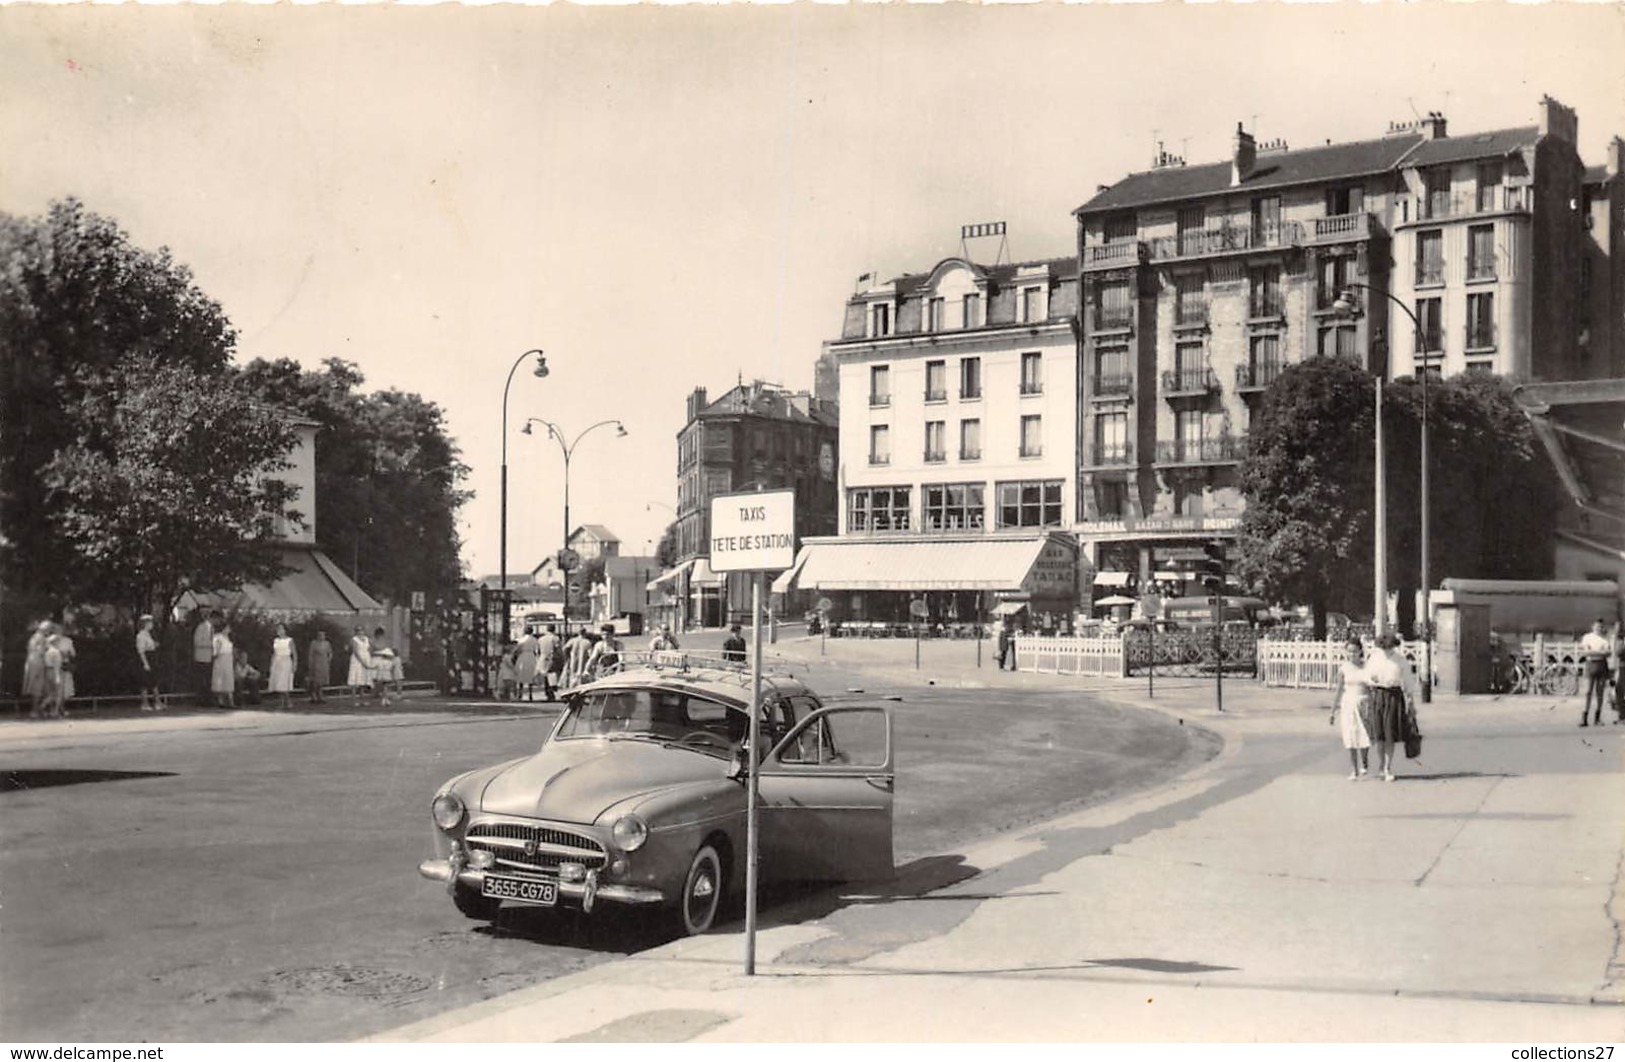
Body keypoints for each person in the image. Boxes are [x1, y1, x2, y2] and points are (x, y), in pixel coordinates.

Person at [1363, 631, 1421, 782]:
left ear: (1394, 646)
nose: (1386, 650)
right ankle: (1381, 764)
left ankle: (1388, 767)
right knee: (1379, 734)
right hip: (1378, 695)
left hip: (1394, 696)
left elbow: (1408, 682)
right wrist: (1372, 679)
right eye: (1383, 647)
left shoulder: (1400, 660)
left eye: (1389, 647)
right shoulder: (1374, 659)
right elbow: (1367, 676)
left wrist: (1411, 703)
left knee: (1390, 733)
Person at [1328, 637, 1371, 779]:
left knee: (1364, 735)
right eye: (1349, 652)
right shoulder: (1344, 668)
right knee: (1350, 736)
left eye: (1354, 651)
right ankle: (1354, 769)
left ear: (1360, 651)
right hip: (1348, 704)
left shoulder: (1366, 667)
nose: (1352, 654)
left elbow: (1372, 688)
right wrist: (1333, 711)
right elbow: (1339, 690)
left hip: (1364, 703)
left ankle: (1364, 761)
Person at [1578, 618, 1612, 728]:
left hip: (1601, 665)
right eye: (1597, 626)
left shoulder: (1605, 639)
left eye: (1601, 627)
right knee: (1588, 691)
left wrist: (1593, 652)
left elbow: (1608, 653)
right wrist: (1599, 652)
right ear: (1593, 627)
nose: (1599, 628)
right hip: (1590, 665)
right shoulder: (1587, 637)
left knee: (1600, 692)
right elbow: (1585, 652)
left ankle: (1597, 717)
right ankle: (1584, 717)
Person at [23, 620, 52, 718]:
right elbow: (41, 652)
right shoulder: (41, 638)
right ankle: (35, 711)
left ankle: (39, 710)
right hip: (38, 665)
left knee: (40, 689)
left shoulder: (34, 637)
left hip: (33, 664)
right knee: (38, 689)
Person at [136, 615, 165, 711]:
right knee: (145, 682)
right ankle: (145, 703)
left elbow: (150, 646)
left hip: (152, 658)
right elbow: (141, 651)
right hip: (146, 659)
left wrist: (155, 645)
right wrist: (145, 663)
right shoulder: (140, 635)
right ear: (145, 624)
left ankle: (157, 702)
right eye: (150, 622)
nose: (152, 624)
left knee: (154, 681)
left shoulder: (148, 634)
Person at [268, 623, 298, 710]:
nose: (279, 631)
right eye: (278, 629)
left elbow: (294, 653)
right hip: (277, 662)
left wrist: (295, 664)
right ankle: (283, 702)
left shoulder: (289, 640)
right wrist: (271, 664)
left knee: (284, 682)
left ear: (285, 630)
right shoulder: (276, 640)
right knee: (279, 683)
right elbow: (274, 653)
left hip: (286, 662)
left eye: (281, 629)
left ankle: (287, 702)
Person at [192, 609, 217, 705]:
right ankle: (200, 700)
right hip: (201, 657)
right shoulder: (201, 627)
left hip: (208, 657)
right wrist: (210, 644)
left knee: (207, 679)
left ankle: (207, 699)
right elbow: (197, 642)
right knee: (202, 679)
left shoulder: (211, 628)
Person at [371, 626, 400, 706]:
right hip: (378, 664)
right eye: (378, 635)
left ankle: (385, 698)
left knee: (386, 682)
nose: (380, 637)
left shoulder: (386, 643)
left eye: (381, 635)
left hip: (386, 664)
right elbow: (372, 653)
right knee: (379, 682)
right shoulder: (373, 643)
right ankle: (381, 696)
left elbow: (391, 654)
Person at [211, 621, 236, 709]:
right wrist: (217, 655)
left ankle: (230, 701)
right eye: (227, 628)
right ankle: (220, 701)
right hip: (221, 659)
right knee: (220, 678)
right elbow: (216, 650)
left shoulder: (228, 638)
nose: (229, 629)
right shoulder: (218, 637)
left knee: (228, 679)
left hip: (228, 659)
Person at [41, 632, 66, 719]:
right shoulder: (56, 652)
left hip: (47, 671)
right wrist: (57, 676)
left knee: (50, 693)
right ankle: (54, 711)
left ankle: (46, 707)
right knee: (58, 693)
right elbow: (57, 665)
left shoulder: (47, 652)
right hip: (55, 671)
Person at [535, 624, 562, 702]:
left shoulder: (540, 639)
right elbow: (558, 649)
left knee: (546, 676)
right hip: (552, 658)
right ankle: (551, 691)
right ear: (554, 629)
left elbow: (537, 651)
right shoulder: (555, 638)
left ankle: (547, 692)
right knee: (552, 675)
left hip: (543, 658)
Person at [513, 627, 541, 702]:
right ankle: (530, 694)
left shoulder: (521, 640)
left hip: (523, 656)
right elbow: (537, 650)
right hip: (531, 656)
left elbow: (517, 649)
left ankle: (520, 694)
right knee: (530, 675)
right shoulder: (535, 640)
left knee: (521, 675)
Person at [347, 626, 373, 706]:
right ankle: (354, 700)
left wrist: (368, 660)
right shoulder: (354, 639)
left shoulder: (366, 639)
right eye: (358, 630)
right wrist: (362, 662)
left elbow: (369, 649)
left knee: (363, 680)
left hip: (366, 658)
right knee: (355, 680)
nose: (360, 632)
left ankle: (362, 699)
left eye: (361, 630)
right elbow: (355, 652)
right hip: (357, 661)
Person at [562, 626, 593, 690]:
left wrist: (567, 656)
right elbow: (590, 654)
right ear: (585, 633)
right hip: (583, 662)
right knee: (581, 678)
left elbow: (564, 648)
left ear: (578, 633)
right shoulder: (587, 642)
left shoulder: (573, 640)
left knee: (573, 677)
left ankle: (572, 691)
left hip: (573, 661)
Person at [306, 629, 333, 704]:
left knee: (322, 681)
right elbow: (310, 654)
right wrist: (310, 664)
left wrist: (329, 659)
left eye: (323, 635)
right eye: (320, 635)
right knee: (315, 681)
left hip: (324, 663)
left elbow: (330, 652)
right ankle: (313, 695)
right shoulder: (314, 643)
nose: (322, 637)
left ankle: (320, 696)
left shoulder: (327, 643)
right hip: (316, 663)